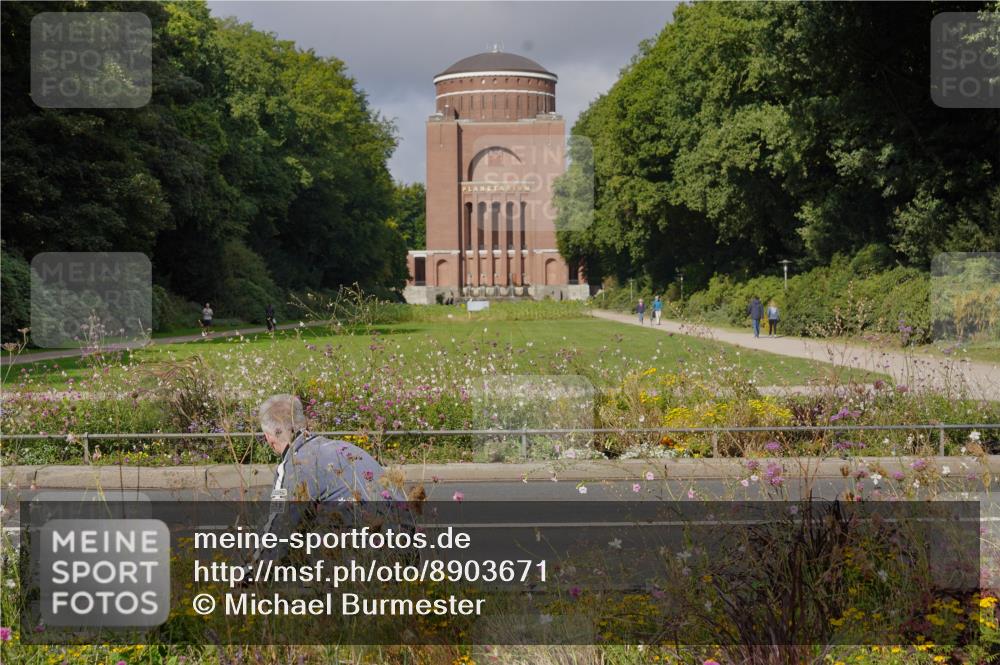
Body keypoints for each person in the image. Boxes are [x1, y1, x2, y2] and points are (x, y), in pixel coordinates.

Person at [255, 394, 406, 561]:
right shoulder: (344, 448)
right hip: (407, 544)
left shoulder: (294, 466)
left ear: (269, 438)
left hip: (372, 554)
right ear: (304, 423)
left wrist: (248, 573)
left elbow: (278, 529)